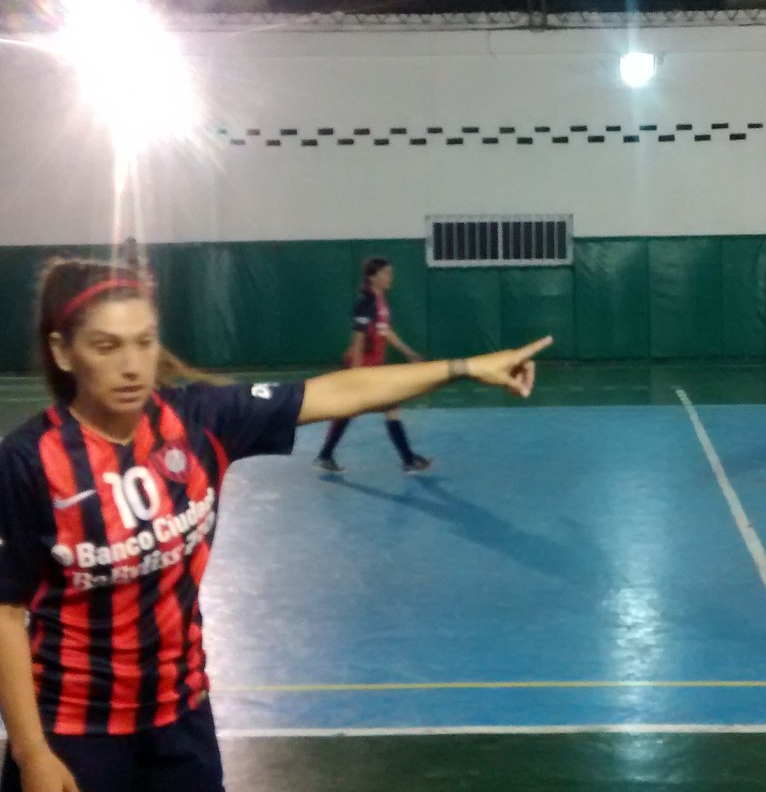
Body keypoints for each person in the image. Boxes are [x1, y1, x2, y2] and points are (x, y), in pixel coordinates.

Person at [0, 257, 551, 791]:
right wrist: (31, 752)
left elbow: (337, 391)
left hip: (182, 720)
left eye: (145, 342)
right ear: (63, 351)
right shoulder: (29, 461)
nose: (131, 365)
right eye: (106, 346)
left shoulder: (200, 421)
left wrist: (465, 367)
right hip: (74, 734)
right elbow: (5, 613)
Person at [314, 257, 431, 474]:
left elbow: (385, 332)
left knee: (356, 409)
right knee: (383, 407)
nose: (390, 277)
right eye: (385, 273)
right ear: (372, 277)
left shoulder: (380, 300)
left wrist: (409, 353)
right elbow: (358, 338)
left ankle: (325, 455)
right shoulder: (366, 302)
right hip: (364, 367)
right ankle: (408, 460)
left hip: (374, 366)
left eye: (390, 273)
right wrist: (357, 372)